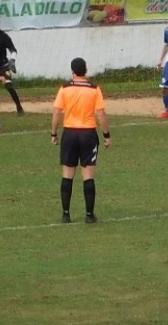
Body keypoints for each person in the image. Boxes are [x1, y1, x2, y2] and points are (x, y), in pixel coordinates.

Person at [51, 57, 111, 224]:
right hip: (88, 134)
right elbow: (101, 114)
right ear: (86, 70)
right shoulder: (94, 89)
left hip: (69, 133)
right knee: (88, 175)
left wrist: (53, 133)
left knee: (68, 174)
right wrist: (106, 135)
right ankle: (89, 215)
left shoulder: (64, 88)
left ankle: (65, 214)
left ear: (72, 71)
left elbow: (56, 112)